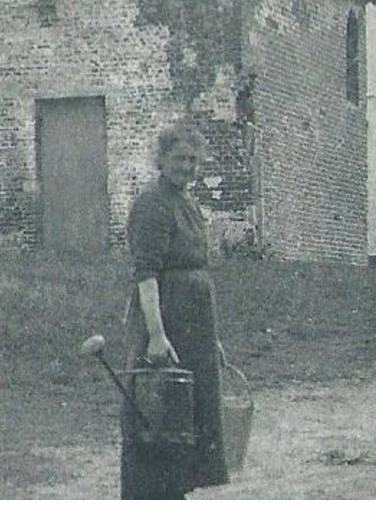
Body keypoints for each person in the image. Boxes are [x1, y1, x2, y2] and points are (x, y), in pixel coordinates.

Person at [120, 121, 230, 499]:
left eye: (195, 161)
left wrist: (209, 338)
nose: (188, 167)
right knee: (159, 413)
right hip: (165, 320)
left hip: (193, 325)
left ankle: (174, 495)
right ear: (162, 159)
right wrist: (155, 334)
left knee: (188, 417)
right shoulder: (152, 204)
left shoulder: (187, 204)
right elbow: (146, 274)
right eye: (181, 158)